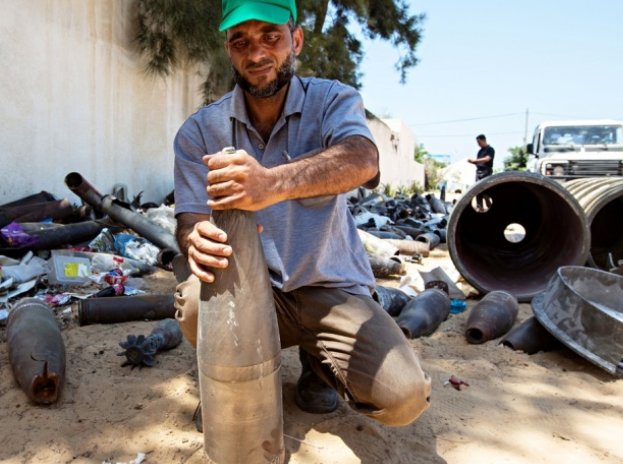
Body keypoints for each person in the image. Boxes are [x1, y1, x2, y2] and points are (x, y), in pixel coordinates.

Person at [172, 0, 431, 427]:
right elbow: (189, 219)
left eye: (270, 37)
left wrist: (270, 184)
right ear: (229, 51)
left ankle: (319, 366)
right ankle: (239, 385)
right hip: (254, 292)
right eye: (241, 41)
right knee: (195, 303)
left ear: (295, 40)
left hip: (331, 289)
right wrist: (195, 237)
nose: (256, 54)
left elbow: (362, 159)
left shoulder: (332, 100)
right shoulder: (200, 131)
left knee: (403, 397)